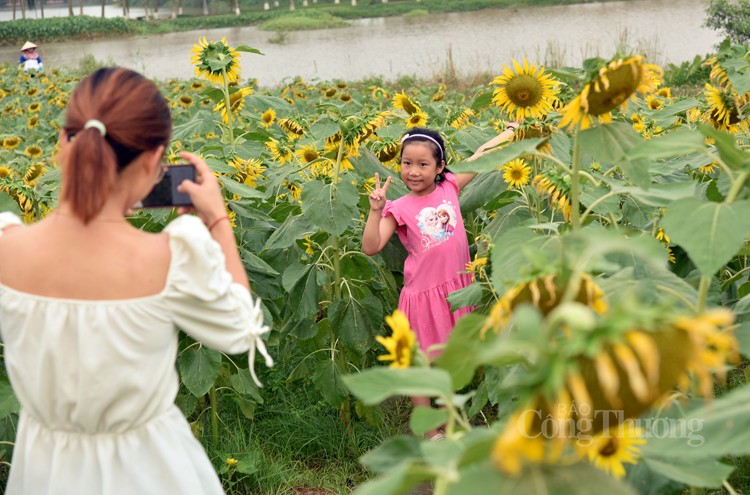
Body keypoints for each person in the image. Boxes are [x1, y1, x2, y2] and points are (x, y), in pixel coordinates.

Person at [0, 67, 272, 494]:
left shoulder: (5, 246)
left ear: (63, 143)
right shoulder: (169, 256)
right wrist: (217, 221)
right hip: (150, 470)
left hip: (44, 473)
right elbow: (241, 330)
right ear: (152, 160)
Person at [362, 125, 516, 439]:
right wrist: (375, 211)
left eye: (422, 164)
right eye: (407, 163)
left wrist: (510, 133)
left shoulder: (449, 188)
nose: (413, 171)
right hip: (422, 296)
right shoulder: (400, 208)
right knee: (422, 364)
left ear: (440, 167)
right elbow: (372, 246)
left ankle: (447, 420)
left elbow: (480, 156)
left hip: (455, 289)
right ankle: (428, 429)